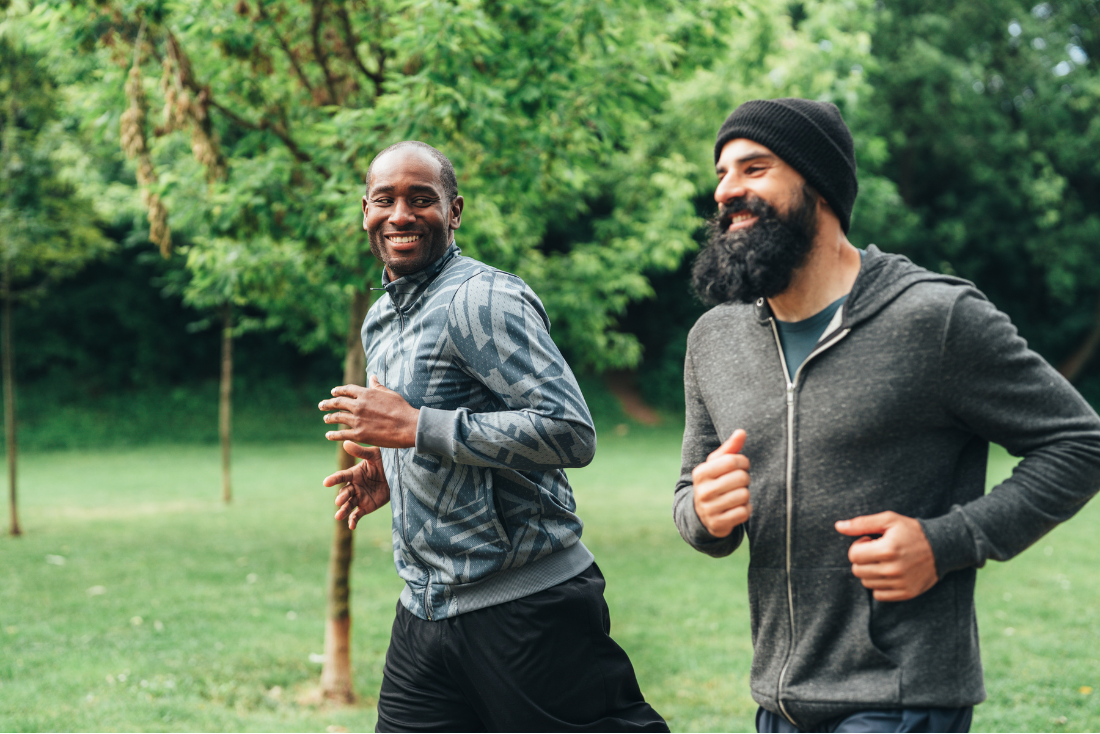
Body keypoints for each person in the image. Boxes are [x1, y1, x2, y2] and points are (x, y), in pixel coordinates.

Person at [673, 98, 1100, 733]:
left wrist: (945, 541)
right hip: (778, 703)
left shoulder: (935, 319)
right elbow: (690, 495)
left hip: (901, 698)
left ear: (818, 187)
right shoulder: (715, 339)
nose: (727, 190)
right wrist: (703, 515)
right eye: (721, 174)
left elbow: (1078, 444)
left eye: (754, 168)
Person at [317, 140, 667, 733]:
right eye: (385, 199)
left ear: (454, 212)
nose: (400, 214)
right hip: (424, 610)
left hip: (524, 609)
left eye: (421, 199)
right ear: (366, 210)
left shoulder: (482, 300)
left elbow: (570, 431)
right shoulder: (382, 316)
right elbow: (424, 428)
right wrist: (395, 471)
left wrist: (415, 428)